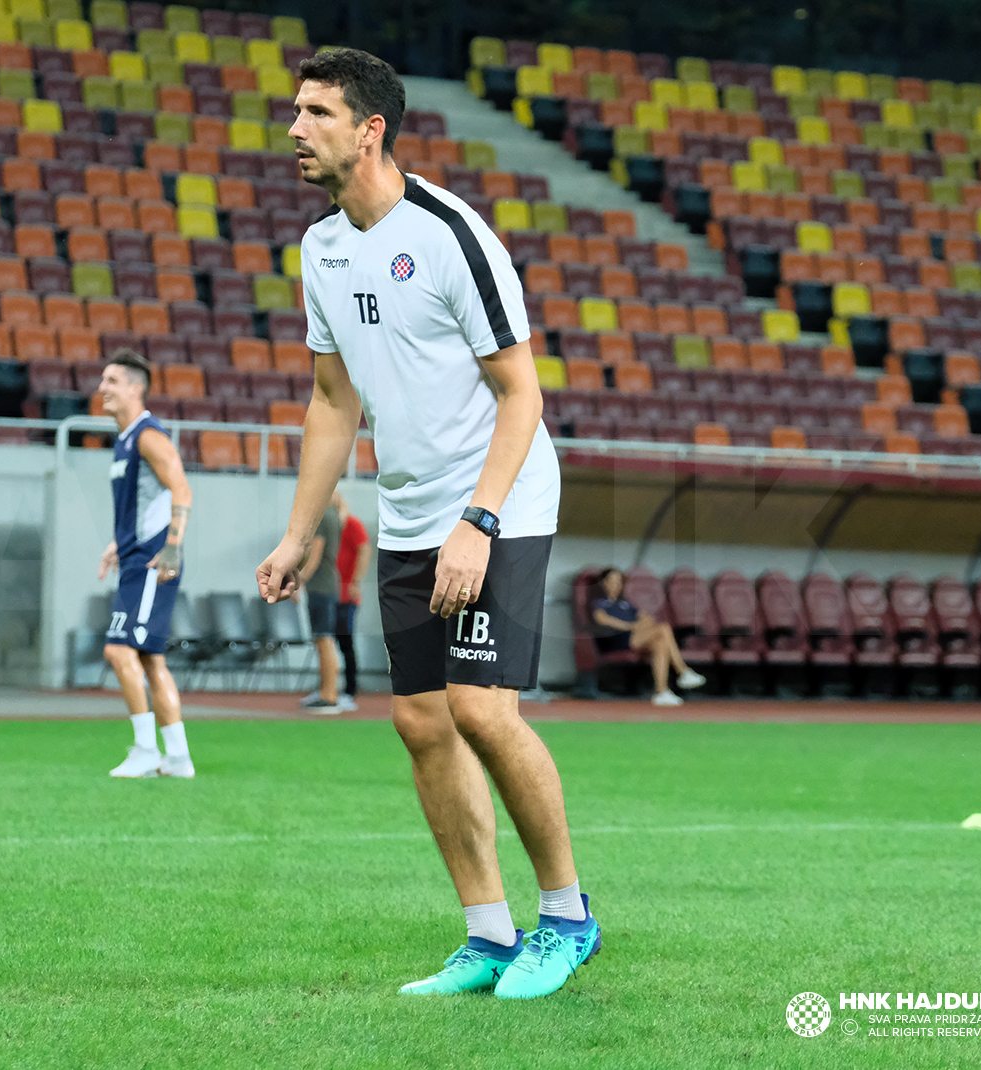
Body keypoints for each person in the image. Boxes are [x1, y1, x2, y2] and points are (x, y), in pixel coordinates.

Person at [256, 48, 598, 1001]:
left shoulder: (453, 234)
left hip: (504, 496)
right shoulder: (321, 249)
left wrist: (478, 522)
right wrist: (300, 529)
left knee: (483, 708)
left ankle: (568, 919)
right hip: (409, 512)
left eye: (316, 112)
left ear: (369, 129)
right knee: (419, 722)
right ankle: (488, 935)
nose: (294, 129)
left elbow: (521, 394)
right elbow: (332, 400)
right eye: (295, 111)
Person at [96, 350, 197, 779]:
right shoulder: (123, 439)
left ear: (136, 389)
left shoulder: (148, 435)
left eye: (112, 380)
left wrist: (172, 546)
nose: (103, 387)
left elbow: (182, 490)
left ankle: (144, 749)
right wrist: (117, 544)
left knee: (119, 650)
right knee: (152, 661)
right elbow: (141, 505)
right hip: (135, 557)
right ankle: (177, 758)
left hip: (154, 562)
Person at [591, 568, 706, 706]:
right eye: (612, 581)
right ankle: (682, 671)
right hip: (616, 638)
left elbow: (647, 619)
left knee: (660, 644)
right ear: (604, 583)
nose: (616, 585)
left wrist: (638, 625)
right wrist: (629, 626)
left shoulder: (625, 603)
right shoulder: (598, 602)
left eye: (618, 581)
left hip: (634, 636)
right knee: (663, 628)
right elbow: (603, 619)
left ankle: (661, 692)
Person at [296, 497, 343, 713]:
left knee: (322, 639)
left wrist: (299, 582)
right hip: (330, 583)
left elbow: (315, 554)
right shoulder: (334, 514)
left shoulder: (322, 515)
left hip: (320, 586)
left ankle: (328, 693)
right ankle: (328, 691)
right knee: (325, 639)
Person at [334, 491, 370, 710]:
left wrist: (356, 581)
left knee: (346, 642)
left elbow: (364, 549)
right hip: (331, 593)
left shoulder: (352, 524)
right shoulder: (327, 525)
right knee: (328, 641)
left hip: (346, 595)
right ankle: (329, 687)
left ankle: (350, 689)